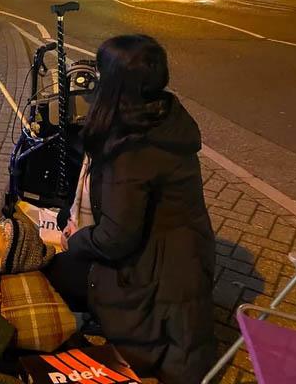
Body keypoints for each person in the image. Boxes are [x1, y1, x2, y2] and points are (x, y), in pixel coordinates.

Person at [42, 35, 216, 384]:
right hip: (183, 256)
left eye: (100, 72)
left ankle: (85, 326)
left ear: (115, 84)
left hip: (154, 277)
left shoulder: (130, 150)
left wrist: (77, 240)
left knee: (55, 270)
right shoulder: (163, 116)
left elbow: (115, 238)